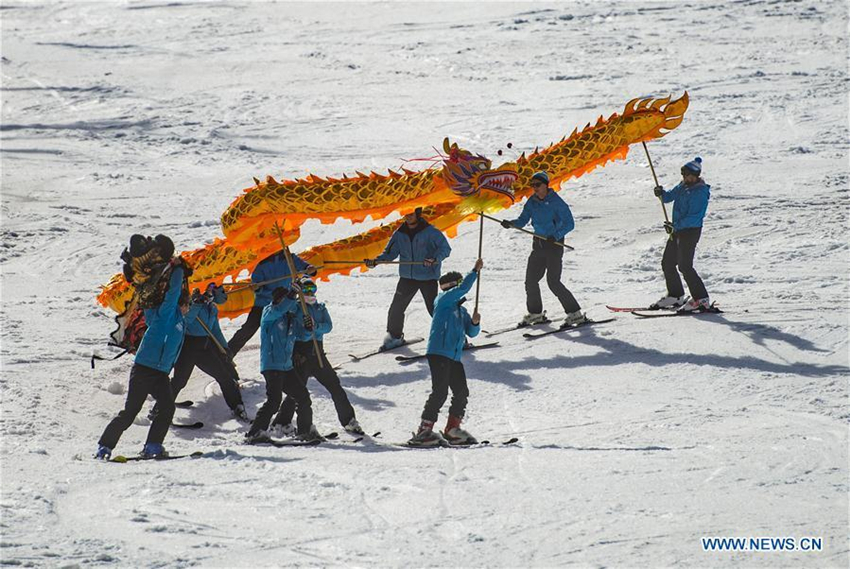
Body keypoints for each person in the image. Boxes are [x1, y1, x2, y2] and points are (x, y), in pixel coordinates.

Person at [96, 235, 199, 460]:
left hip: (161, 372)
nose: (186, 307)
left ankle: (152, 446)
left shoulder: (181, 323)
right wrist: (178, 272)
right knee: (130, 412)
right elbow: (171, 297)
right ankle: (104, 446)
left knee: (167, 408)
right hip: (144, 368)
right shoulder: (163, 314)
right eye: (185, 304)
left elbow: (185, 302)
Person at [270, 277, 363, 437]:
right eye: (305, 290)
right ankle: (281, 422)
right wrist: (307, 329)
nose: (309, 293)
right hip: (301, 355)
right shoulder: (296, 308)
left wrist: (316, 327)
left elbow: (328, 326)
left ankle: (349, 420)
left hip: (318, 353)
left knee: (335, 386)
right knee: (297, 393)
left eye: (312, 289)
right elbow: (296, 331)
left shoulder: (320, 308)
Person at [408, 259, 483, 447]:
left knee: (461, 392)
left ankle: (452, 429)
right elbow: (462, 289)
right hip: (439, 352)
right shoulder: (443, 300)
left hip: (454, 356)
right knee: (440, 392)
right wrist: (474, 271)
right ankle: (424, 430)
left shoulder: (461, 310)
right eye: (457, 285)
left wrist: (474, 322)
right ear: (451, 287)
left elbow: (471, 333)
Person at [150, 283, 249, 423]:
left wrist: (225, 348)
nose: (212, 296)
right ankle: (158, 410)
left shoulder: (212, 309)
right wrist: (197, 304)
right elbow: (187, 321)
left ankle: (237, 406)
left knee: (224, 377)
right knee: (179, 381)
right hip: (188, 347)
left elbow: (215, 331)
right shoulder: (191, 305)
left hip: (204, 348)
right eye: (209, 293)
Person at [500, 171, 585, 326]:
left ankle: (575, 313)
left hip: (554, 245)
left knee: (553, 282)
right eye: (533, 186)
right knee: (530, 281)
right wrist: (511, 224)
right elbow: (522, 220)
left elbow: (569, 223)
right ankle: (536, 313)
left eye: (538, 185)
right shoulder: (532, 202)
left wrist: (556, 235)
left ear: (546, 185)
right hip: (538, 244)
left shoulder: (556, 202)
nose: (535, 188)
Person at [365, 207, 451, 350]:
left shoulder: (430, 232)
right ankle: (394, 337)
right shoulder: (400, 233)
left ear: (418, 214)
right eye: (406, 213)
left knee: (434, 309)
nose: (408, 216)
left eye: (411, 213)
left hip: (427, 277)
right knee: (396, 308)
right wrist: (376, 261)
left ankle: (453, 335)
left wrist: (434, 258)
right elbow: (390, 253)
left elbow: (445, 249)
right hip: (407, 277)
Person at [245, 283, 319, 442]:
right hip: (272, 365)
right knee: (273, 401)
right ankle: (255, 433)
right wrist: (292, 294)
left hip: (287, 366)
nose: (289, 305)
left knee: (303, 397)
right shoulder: (269, 313)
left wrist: (308, 328)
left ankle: (305, 431)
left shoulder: (289, 318)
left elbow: (301, 336)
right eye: (285, 300)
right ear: (278, 300)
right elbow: (278, 309)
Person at [227, 249, 317, 356]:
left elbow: (305, 268)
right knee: (249, 329)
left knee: (292, 330)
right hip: (264, 304)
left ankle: (305, 357)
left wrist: (310, 269)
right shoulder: (262, 262)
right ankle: (228, 353)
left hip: (285, 303)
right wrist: (256, 287)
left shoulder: (289, 258)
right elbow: (257, 283)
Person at [652, 157, 711, 311]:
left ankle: (701, 299)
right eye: (684, 176)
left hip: (690, 231)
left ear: (697, 175)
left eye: (689, 176)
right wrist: (661, 193)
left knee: (685, 265)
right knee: (668, 263)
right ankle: (675, 295)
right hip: (677, 230)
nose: (686, 179)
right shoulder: (683, 186)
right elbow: (669, 197)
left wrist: (675, 226)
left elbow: (694, 217)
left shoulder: (699, 192)